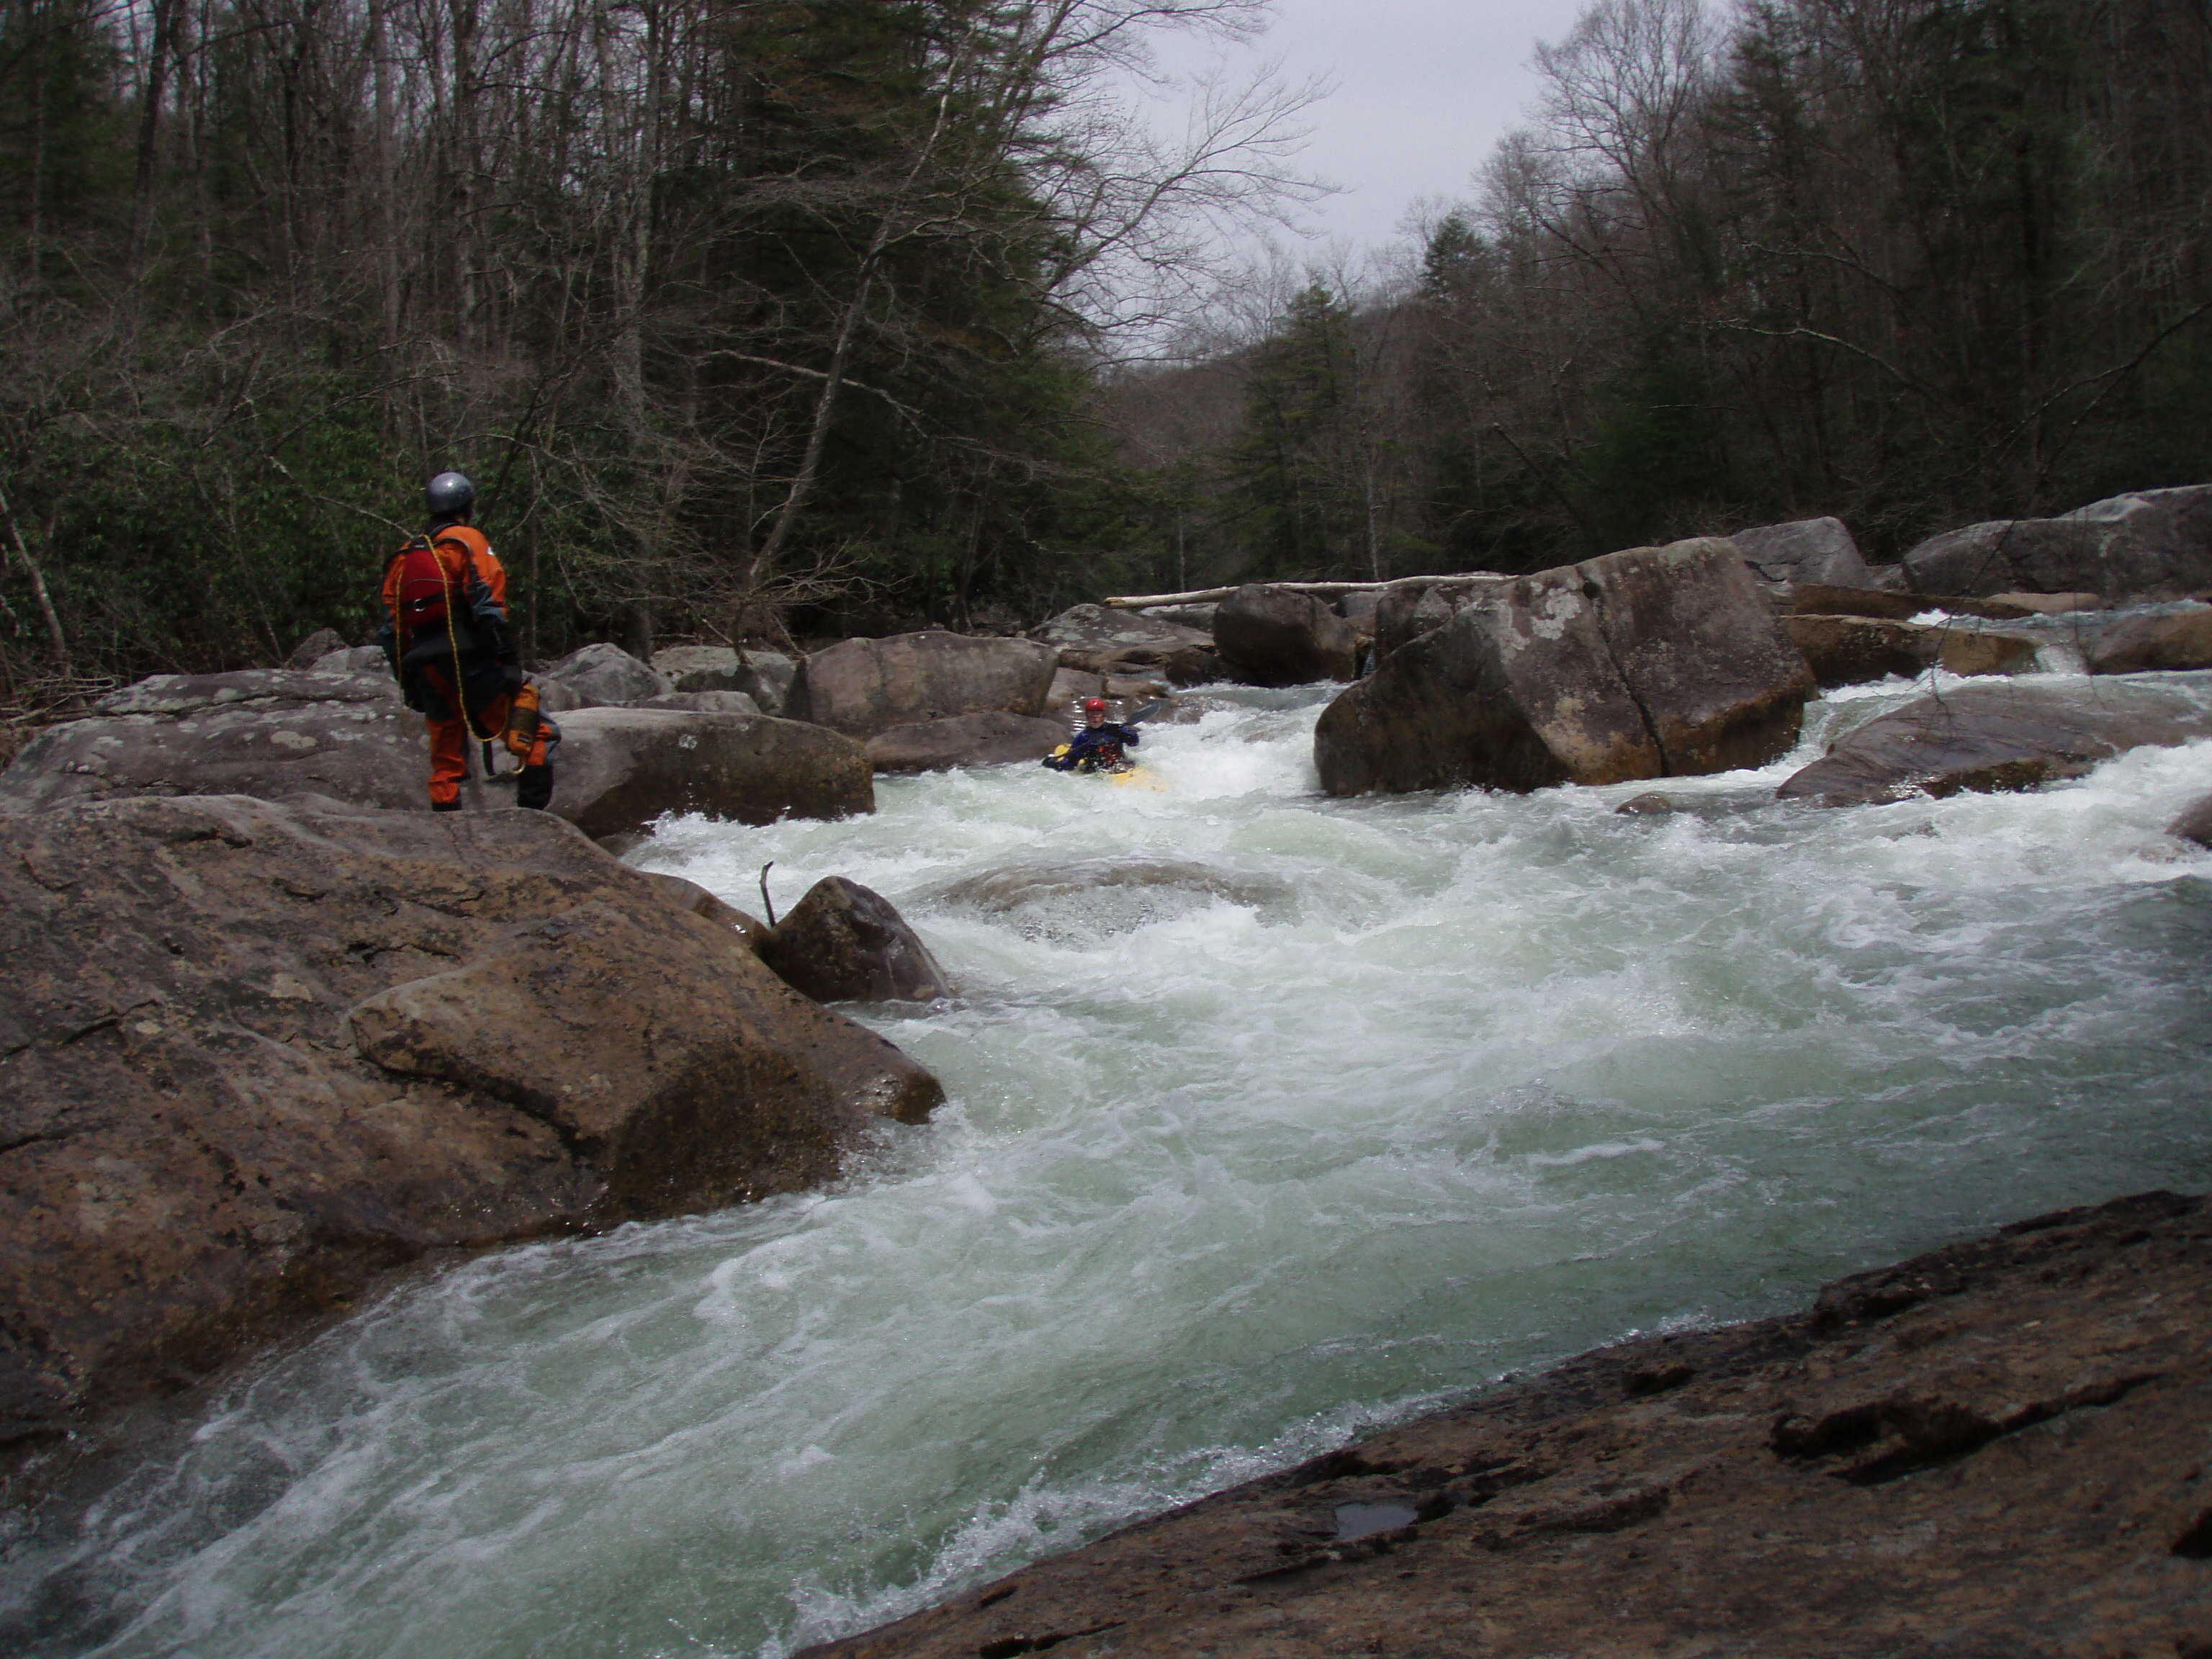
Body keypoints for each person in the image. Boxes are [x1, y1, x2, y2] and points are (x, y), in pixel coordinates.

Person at [376, 471, 557, 811]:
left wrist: (408, 680)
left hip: (426, 666)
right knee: (539, 732)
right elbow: (488, 603)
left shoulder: (403, 555)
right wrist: (507, 661)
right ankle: (532, 825)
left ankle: (449, 831)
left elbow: (390, 629)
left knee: (446, 759)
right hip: (472, 660)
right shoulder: (466, 540)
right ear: (466, 505)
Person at [1043, 697, 1141, 773]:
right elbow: (1071, 763)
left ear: (1104, 716)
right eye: (1091, 714)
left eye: (1098, 714)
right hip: (1098, 773)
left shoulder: (1116, 729)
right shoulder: (1083, 737)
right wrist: (1054, 765)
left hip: (1120, 767)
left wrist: (1127, 732)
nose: (1095, 718)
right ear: (1087, 717)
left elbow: (1134, 743)